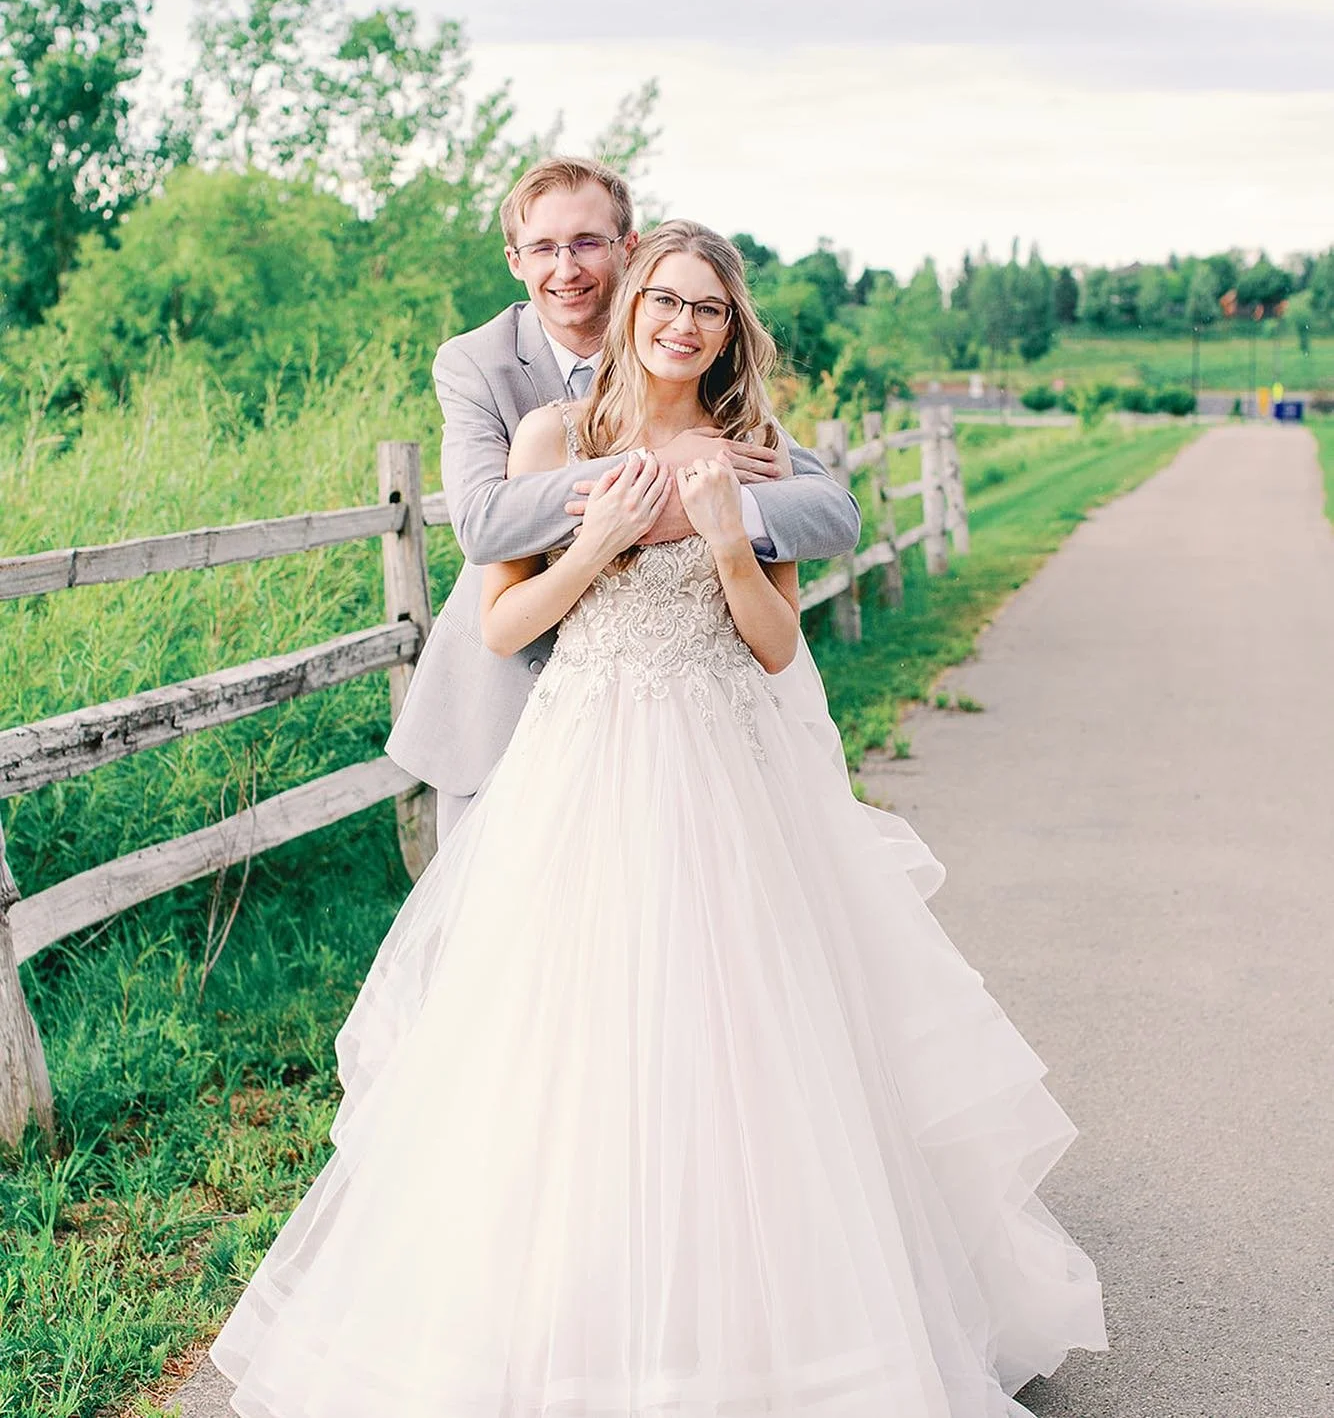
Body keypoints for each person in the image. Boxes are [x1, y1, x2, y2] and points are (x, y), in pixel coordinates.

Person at [209, 220, 1107, 1417]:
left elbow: (779, 642)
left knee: (742, 1032)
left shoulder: (757, 450)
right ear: (630, 308)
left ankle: (766, 1342)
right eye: (665, 301)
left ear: (733, 328)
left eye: (710, 309)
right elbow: (503, 626)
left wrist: (734, 541)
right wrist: (600, 539)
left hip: (722, 767)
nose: (683, 325)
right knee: (564, 1039)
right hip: (582, 760)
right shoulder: (556, 437)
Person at [383, 156, 861, 845]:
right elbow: (484, 524)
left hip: (692, 728)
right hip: (505, 704)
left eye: (586, 243)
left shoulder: (689, 355)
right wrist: (662, 468)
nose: (566, 268)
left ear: (627, 250)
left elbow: (828, 509)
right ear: (515, 259)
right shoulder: (478, 365)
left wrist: (726, 519)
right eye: (544, 247)